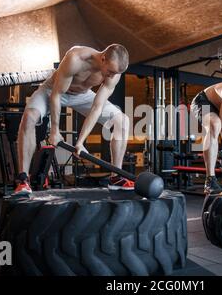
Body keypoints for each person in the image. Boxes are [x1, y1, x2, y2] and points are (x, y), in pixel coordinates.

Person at [14, 44, 133, 193]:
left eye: (115, 73)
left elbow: (97, 108)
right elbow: (56, 95)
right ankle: (23, 179)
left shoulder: (114, 74)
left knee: (122, 121)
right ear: (103, 58)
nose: (111, 76)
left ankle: (116, 177)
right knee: (29, 117)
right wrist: (55, 131)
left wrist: (80, 142)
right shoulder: (76, 58)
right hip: (54, 90)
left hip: (82, 95)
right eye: (110, 71)